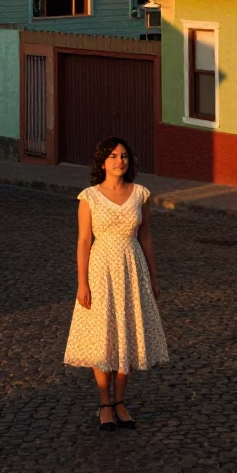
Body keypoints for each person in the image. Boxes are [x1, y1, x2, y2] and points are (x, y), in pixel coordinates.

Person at [63, 136, 168, 431]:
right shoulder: (90, 197)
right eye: (112, 156)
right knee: (103, 335)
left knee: (128, 333)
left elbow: (145, 236)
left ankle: (120, 402)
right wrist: (82, 283)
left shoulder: (140, 195)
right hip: (100, 270)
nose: (119, 161)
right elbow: (84, 241)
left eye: (123, 156)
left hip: (132, 268)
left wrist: (154, 276)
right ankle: (104, 404)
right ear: (102, 162)